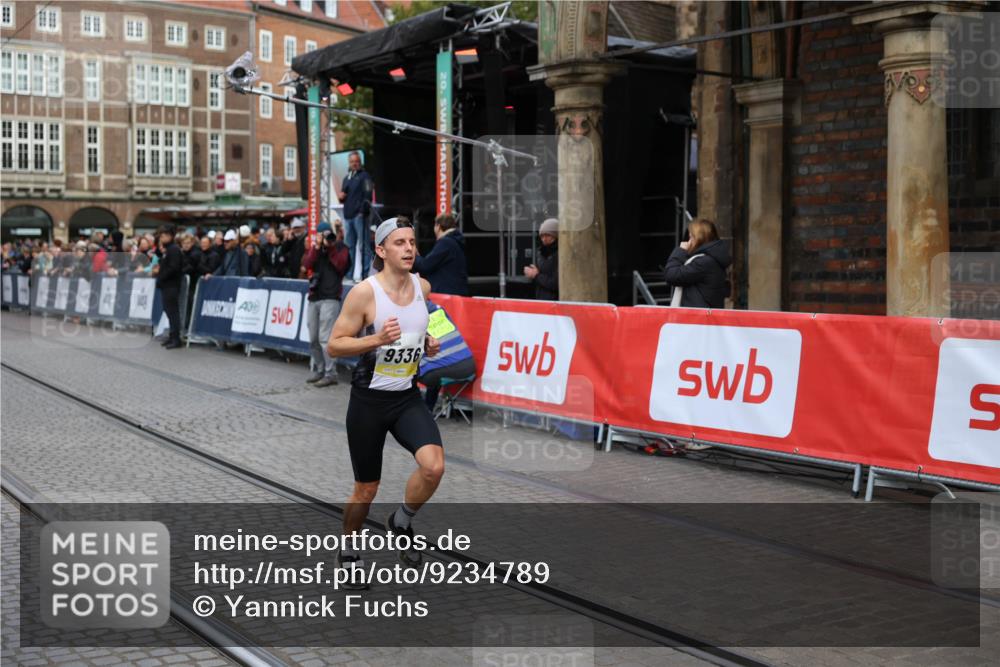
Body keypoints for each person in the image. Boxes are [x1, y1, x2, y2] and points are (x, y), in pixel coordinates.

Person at [326, 217, 443, 586]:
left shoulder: (423, 286)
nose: (409, 249)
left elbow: (427, 321)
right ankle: (349, 549)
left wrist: (428, 341)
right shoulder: (364, 293)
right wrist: (376, 340)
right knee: (366, 488)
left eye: (412, 242)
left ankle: (402, 521)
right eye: (399, 243)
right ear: (381, 250)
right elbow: (335, 344)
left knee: (433, 467)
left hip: (406, 397)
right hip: (368, 401)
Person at [302, 222, 350, 387]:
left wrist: (330, 247)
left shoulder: (341, 248)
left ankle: (331, 373)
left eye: (328, 235)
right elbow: (307, 264)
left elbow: (341, 265)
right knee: (313, 338)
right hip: (314, 297)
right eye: (322, 235)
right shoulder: (315, 249)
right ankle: (320, 369)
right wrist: (316, 247)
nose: (326, 238)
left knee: (325, 338)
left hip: (331, 297)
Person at [417, 301, 476, 412]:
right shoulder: (440, 310)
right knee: (434, 362)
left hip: (441, 372)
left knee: (406, 369)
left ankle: (419, 411)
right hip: (469, 367)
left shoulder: (414, 317)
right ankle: (427, 408)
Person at [664, 218, 731, 309]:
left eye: (691, 237)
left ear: (699, 238)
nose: (689, 241)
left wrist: (680, 251)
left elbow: (671, 274)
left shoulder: (703, 262)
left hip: (697, 319)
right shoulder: (712, 259)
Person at [338, 151, 374, 279]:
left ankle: (365, 276)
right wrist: (341, 197)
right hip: (348, 217)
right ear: (349, 163)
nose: (355, 164)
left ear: (360, 162)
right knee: (349, 248)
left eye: (357, 161)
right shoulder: (346, 178)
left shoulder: (365, 176)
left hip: (359, 216)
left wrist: (361, 212)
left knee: (364, 246)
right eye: (352, 161)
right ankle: (349, 274)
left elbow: (368, 195)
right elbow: (343, 197)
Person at [412, 213, 468, 296]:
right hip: (455, 293)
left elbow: (425, 266)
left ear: (438, 226)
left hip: (447, 295)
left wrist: (414, 256)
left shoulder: (446, 243)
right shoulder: (455, 241)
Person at [153, 225, 184, 349]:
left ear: (170, 236)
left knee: (173, 312)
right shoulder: (168, 250)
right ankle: (172, 336)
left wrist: (162, 277)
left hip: (171, 285)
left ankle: (176, 338)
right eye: (161, 236)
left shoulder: (174, 250)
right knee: (169, 312)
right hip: (167, 285)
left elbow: (173, 268)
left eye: (164, 235)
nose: (162, 238)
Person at [524, 218, 558, 300]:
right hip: (542, 299)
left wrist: (535, 275)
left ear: (556, 235)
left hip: (556, 302)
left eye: (548, 235)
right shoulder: (540, 252)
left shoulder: (559, 254)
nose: (544, 239)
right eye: (542, 236)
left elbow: (556, 283)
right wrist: (532, 274)